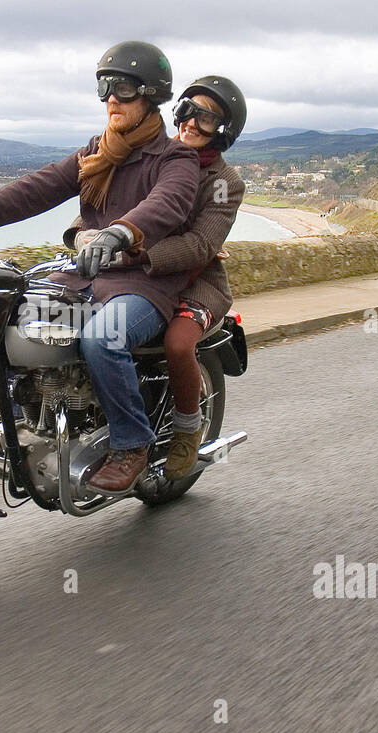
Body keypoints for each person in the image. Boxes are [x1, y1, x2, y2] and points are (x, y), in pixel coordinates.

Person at [0, 40, 200, 494]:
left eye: (123, 88)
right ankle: (16, 413)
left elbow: (166, 205)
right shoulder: (98, 151)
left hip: (143, 284)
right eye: (104, 87)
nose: (111, 97)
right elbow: (45, 184)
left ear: (150, 95)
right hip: (85, 277)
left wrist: (120, 232)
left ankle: (133, 444)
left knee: (101, 338)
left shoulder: (176, 159)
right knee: (9, 313)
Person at [63, 75, 247, 479]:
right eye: (187, 111)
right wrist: (84, 237)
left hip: (195, 281)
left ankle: (186, 429)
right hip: (134, 275)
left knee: (179, 343)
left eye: (208, 119)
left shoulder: (223, 183)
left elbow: (201, 245)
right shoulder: (146, 157)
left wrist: (130, 251)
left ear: (224, 133)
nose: (192, 124)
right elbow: (102, 213)